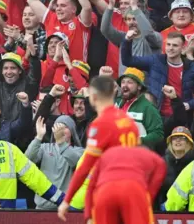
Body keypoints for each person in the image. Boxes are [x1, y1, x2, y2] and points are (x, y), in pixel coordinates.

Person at [58, 75, 140, 220]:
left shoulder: (99, 125)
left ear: (93, 96)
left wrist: (67, 199)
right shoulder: (129, 122)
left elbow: (86, 167)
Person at [85, 146, 167, 224]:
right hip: (131, 192)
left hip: (105, 195)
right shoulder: (146, 158)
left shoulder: (106, 157)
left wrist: (89, 216)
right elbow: (161, 165)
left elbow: (90, 188)